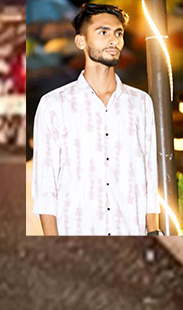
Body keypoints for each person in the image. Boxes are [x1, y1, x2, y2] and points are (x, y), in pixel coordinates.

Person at [31, 3, 162, 236]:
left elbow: (149, 179)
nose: (113, 40)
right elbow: (45, 188)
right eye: (103, 32)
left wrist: (153, 234)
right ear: (81, 41)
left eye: (118, 33)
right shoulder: (54, 105)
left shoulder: (140, 103)